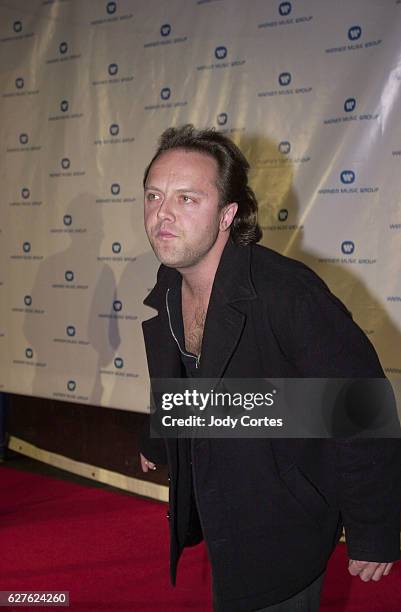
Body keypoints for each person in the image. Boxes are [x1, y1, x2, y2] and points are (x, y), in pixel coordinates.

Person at [138, 125, 401, 611]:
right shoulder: (171, 287)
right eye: (154, 196)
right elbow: (194, 378)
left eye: (187, 199)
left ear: (227, 214)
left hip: (284, 520)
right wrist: (158, 435)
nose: (163, 214)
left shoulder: (288, 294)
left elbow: (362, 405)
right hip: (225, 505)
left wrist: (375, 529)